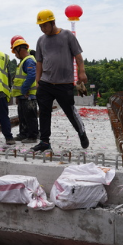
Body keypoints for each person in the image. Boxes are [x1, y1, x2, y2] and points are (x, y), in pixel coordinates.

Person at [32, 9, 89, 153]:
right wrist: (37, 82)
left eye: (44, 25)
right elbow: (39, 62)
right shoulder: (41, 40)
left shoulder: (67, 35)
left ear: (52, 23)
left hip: (64, 84)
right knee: (44, 112)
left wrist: (81, 72)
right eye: (40, 26)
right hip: (45, 83)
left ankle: (81, 132)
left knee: (70, 112)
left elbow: (78, 56)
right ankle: (45, 141)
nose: (42, 29)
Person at [10, 39, 39, 143]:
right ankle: (23, 134)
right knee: (23, 116)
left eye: (15, 52)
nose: (15, 55)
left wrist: (23, 90)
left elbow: (32, 76)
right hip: (23, 96)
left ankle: (32, 136)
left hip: (29, 95)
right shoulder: (24, 61)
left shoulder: (29, 60)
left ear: (20, 49)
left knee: (30, 116)